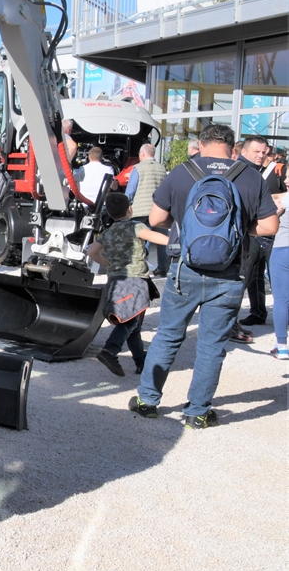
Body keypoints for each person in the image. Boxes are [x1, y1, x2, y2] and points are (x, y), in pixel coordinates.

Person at [129, 124, 279, 429]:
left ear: (201, 144)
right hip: (229, 274)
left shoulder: (183, 171)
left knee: (169, 335)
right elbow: (269, 227)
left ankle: (147, 401)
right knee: (212, 346)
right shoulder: (250, 176)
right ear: (233, 147)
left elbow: (156, 219)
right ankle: (197, 412)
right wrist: (239, 231)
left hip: (185, 269)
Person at [88, 193, 170, 376]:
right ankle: (110, 350)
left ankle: (141, 361)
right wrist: (175, 241)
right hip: (135, 281)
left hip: (115, 282)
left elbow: (92, 252)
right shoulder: (135, 227)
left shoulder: (107, 233)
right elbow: (154, 236)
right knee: (131, 320)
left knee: (133, 324)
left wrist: (109, 265)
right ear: (130, 209)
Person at [238, 136, 273, 327]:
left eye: (264, 151)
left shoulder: (261, 171)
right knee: (246, 276)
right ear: (244, 152)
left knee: (257, 274)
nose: (261, 155)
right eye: (257, 151)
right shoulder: (245, 172)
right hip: (251, 233)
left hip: (263, 232)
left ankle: (258, 312)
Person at [125, 143, 169, 276]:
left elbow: (131, 190)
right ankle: (162, 268)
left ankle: (141, 267)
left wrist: (126, 205)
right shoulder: (162, 168)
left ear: (142, 154)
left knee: (142, 240)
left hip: (140, 210)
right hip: (159, 210)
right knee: (161, 240)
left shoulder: (138, 168)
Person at [270, 192, 288, 360]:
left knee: (282, 299)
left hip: (283, 249)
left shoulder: (283, 201)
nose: (286, 179)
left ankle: (281, 346)